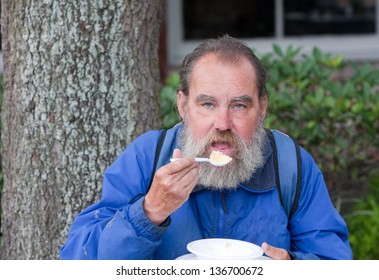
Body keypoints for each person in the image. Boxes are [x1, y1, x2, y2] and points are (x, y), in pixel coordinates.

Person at [60, 35, 352, 260]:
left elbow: (334, 262)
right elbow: (80, 260)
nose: (223, 123)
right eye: (208, 104)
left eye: (239, 105)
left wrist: (293, 269)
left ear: (261, 108)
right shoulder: (147, 158)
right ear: (183, 105)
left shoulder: (291, 166)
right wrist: (150, 210)